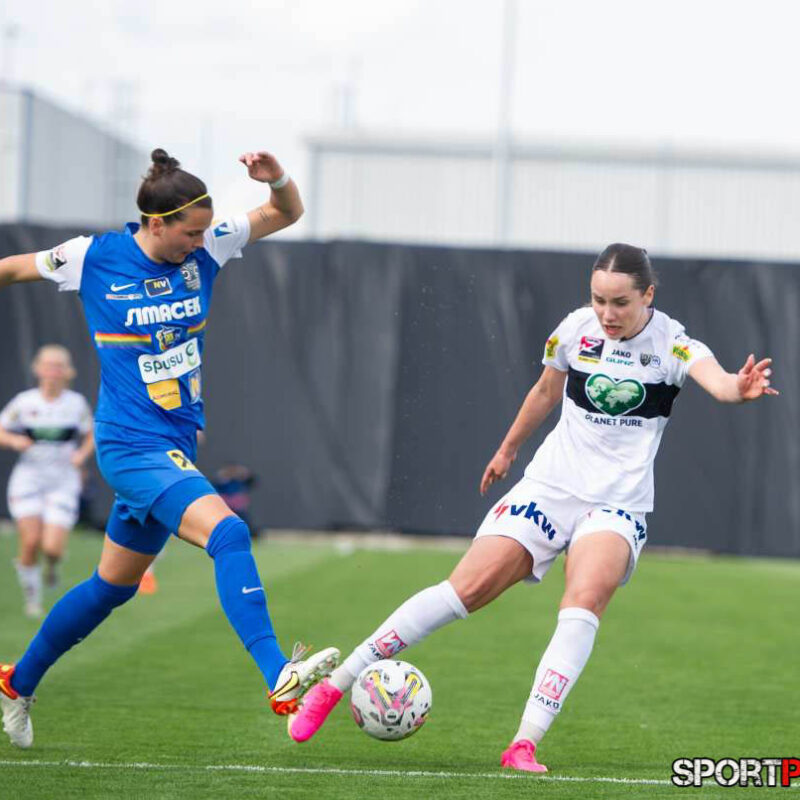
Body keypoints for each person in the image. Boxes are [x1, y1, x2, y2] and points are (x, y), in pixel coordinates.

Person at [286, 243, 777, 771]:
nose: (607, 314)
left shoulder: (674, 344)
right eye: (599, 300)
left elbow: (718, 382)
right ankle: (335, 686)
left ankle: (524, 742)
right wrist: (507, 450)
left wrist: (738, 387)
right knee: (464, 590)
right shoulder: (575, 329)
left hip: (616, 504)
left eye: (620, 303)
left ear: (648, 295)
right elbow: (545, 391)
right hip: (549, 487)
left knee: (582, 600)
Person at [0, 148, 339, 749]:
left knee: (111, 587)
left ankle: (15, 683)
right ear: (156, 224)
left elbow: (286, 212)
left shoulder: (208, 246)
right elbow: (12, 268)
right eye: (190, 233)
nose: (200, 243)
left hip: (173, 445)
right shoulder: (92, 257)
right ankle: (278, 676)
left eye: (205, 232)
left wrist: (279, 178)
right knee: (228, 533)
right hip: (130, 446)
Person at [0, 345, 94, 617]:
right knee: (30, 542)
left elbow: (91, 434)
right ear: (38, 369)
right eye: (48, 366)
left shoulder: (75, 403)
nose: (52, 372)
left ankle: (52, 566)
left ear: (67, 372)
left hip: (63, 481)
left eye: (58, 366)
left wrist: (81, 455)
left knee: (52, 548)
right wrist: (14, 440)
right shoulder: (25, 402)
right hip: (28, 479)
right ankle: (33, 599)